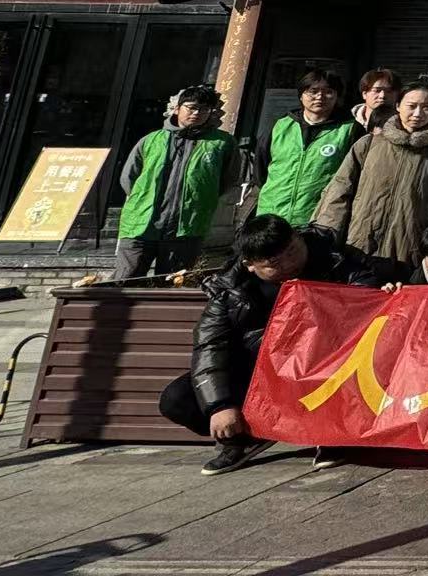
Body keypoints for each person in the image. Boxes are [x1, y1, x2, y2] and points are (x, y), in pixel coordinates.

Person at [160, 215, 379, 473]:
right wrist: (219, 405)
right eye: (274, 263)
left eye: (293, 251)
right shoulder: (231, 290)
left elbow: (370, 284)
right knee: (177, 399)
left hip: (326, 365)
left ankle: (332, 435)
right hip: (262, 370)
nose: (289, 264)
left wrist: (378, 290)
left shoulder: (334, 257)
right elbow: (210, 346)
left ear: (298, 237)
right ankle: (248, 437)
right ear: (250, 265)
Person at [314, 78, 428, 273]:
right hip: (356, 248)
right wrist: (327, 240)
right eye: (412, 106)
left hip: (408, 254)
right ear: (398, 105)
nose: (418, 113)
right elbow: (338, 194)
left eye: (427, 107)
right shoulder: (368, 144)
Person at [112, 85, 238, 281]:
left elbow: (227, 181)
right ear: (178, 108)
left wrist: (199, 199)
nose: (197, 113)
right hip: (140, 223)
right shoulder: (151, 140)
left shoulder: (222, 143)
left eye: (204, 109)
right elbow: (129, 178)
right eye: (191, 107)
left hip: (187, 227)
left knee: (174, 283)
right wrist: (142, 200)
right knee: (125, 279)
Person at [251, 69, 355, 228]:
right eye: (313, 91)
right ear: (301, 95)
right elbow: (260, 170)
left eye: (328, 92)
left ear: (337, 96)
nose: (320, 96)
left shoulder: (349, 130)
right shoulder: (280, 125)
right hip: (272, 215)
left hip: (318, 219)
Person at [354, 69, 399, 133]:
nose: (382, 96)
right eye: (377, 90)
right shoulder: (347, 122)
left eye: (389, 91)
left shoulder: (403, 123)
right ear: (364, 94)